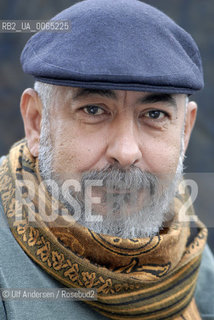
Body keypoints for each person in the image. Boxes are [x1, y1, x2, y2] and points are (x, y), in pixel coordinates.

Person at [0, 0, 213, 319]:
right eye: (93, 110)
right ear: (35, 121)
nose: (126, 153)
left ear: (184, 131)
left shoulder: (187, 247)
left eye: (154, 114)